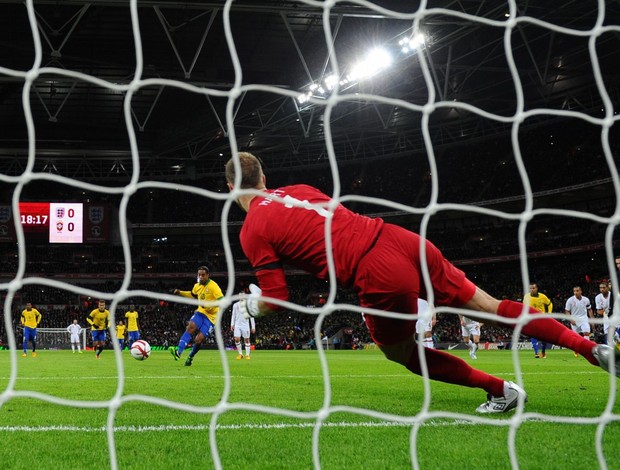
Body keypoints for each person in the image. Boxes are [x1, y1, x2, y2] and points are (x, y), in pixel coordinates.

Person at [225, 151, 620, 414]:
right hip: (401, 239)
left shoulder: (252, 229)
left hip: (375, 271)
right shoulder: (298, 190)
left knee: (402, 354)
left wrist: (251, 304)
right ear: (264, 176)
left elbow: (277, 298)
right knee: (492, 306)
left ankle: (502, 390)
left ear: (229, 189)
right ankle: (588, 347)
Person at [169, 266, 224, 366]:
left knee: (199, 340)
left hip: (212, 317)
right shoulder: (197, 286)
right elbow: (193, 295)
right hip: (200, 312)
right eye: (199, 275)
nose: (201, 277)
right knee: (191, 327)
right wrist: (179, 292)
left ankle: (190, 356)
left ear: (208, 275)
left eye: (203, 275)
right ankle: (178, 352)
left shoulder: (213, 286)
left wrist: (209, 305)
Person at [522, 283, 553, 358]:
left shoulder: (542, 296)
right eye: (531, 288)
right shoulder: (526, 297)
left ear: (537, 289)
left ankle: (543, 352)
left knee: (544, 337)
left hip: (541, 318)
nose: (532, 290)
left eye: (533, 288)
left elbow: (549, 304)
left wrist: (549, 313)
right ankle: (536, 353)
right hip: (531, 319)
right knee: (533, 335)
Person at [564, 286, 594, 357]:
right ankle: (576, 349)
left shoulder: (586, 299)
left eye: (577, 291)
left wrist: (592, 319)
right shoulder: (570, 300)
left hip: (584, 319)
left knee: (586, 332)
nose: (575, 293)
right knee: (576, 337)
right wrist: (571, 319)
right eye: (574, 291)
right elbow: (567, 311)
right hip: (574, 320)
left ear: (581, 291)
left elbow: (589, 309)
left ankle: (587, 350)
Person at [230, 294, 256, 359]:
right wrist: (232, 324)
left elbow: (251, 316)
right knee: (236, 339)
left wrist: (253, 327)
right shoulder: (235, 305)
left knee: (246, 340)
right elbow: (233, 315)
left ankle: (247, 355)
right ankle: (240, 354)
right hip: (237, 325)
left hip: (245, 325)